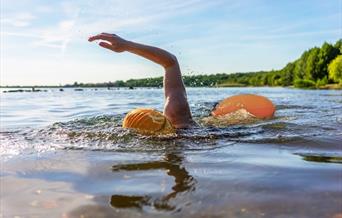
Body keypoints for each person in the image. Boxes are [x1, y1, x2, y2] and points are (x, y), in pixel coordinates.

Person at [89, 33, 275, 135]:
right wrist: (127, 45)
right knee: (232, 119)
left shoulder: (177, 117)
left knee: (224, 119)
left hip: (205, 128)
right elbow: (171, 62)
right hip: (209, 129)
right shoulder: (178, 118)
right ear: (160, 117)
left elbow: (170, 62)